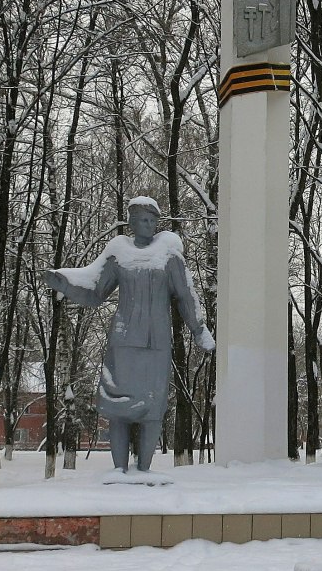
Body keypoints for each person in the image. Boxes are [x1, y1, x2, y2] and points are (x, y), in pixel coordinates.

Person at [44, 198, 214, 482]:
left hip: (156, 343)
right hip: (123, 342)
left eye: (152, 220)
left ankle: (145, 470)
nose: (148, 225)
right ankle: (119, 470)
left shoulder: (169, 255)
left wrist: (199, 330)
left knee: (152, 406)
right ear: (132, 223)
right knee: (118, 407)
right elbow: (95, 289)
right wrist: (64, 282)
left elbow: (186, 295)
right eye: (142, 220)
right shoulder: (118, 253)